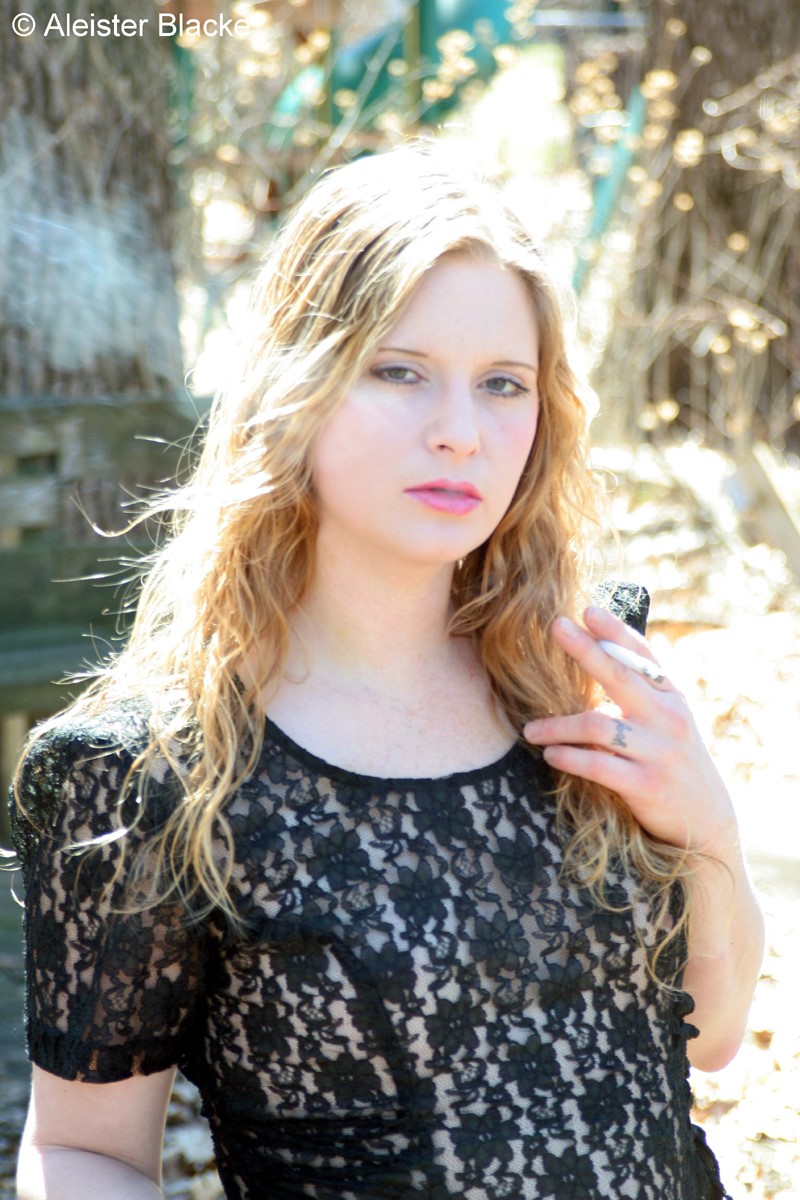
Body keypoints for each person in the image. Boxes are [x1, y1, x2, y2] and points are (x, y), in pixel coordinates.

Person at [9, 141, 763, 1200]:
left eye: (501, 384)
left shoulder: (587, 671)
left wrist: (709, 831)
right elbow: (80, 1151)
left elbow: (713, 1035)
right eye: (399, 371)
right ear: (297, 386)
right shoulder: (150, 775)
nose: (459, 434)